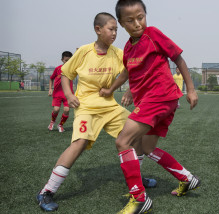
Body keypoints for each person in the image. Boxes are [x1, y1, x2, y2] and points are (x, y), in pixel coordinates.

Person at [36, 12, 155, 212]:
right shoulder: (83, 51)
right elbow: (66, 74)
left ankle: (136, 178)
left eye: (117, 29)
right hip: (87, 108)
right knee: (79, 144)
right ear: (98, 30)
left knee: (138, 135)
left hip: (110, 106)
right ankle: (46, 191)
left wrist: (132, 90)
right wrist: (69, 93)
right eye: (111, 29)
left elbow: (132, 71)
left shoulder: (118, 53)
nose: (115, 33)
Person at [99, 1, 200, 213]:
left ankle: (139, 198)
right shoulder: (127, 48)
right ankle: (187, 178)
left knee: (123, 141)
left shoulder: (152, 34)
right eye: (130, 20)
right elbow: (127, 73)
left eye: (140, 17)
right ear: (122, 24)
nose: (137, 23)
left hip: (159, 97)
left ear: (145, 15)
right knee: (146, 148)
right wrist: (112, 89)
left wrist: (190, 89)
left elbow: (177, 58)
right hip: (158, 101)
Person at [48, 51, 73, 132]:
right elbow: (51, 78)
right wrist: (50, 89)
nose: (67, 62)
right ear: (62, 60)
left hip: (68, 94)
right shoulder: (57, 69)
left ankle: (60, 125)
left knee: (66, 110)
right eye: (66, 60)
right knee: (56, 109)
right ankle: (52, 122)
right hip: (57, 94)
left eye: (69, 60)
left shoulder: (73, 69)